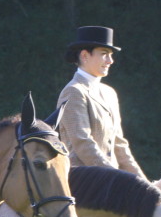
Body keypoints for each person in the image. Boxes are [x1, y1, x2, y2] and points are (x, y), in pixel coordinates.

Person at [57, 25, 146, 178]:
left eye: (111, 55)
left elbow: (119, 145)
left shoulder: (109, 93)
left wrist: (143, 182)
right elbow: (82, 142)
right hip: (83, 180)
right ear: (85, 55)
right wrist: (117, 177)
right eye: (104, 54)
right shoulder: (74, 91)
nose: (110, 61)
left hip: (111, 179)